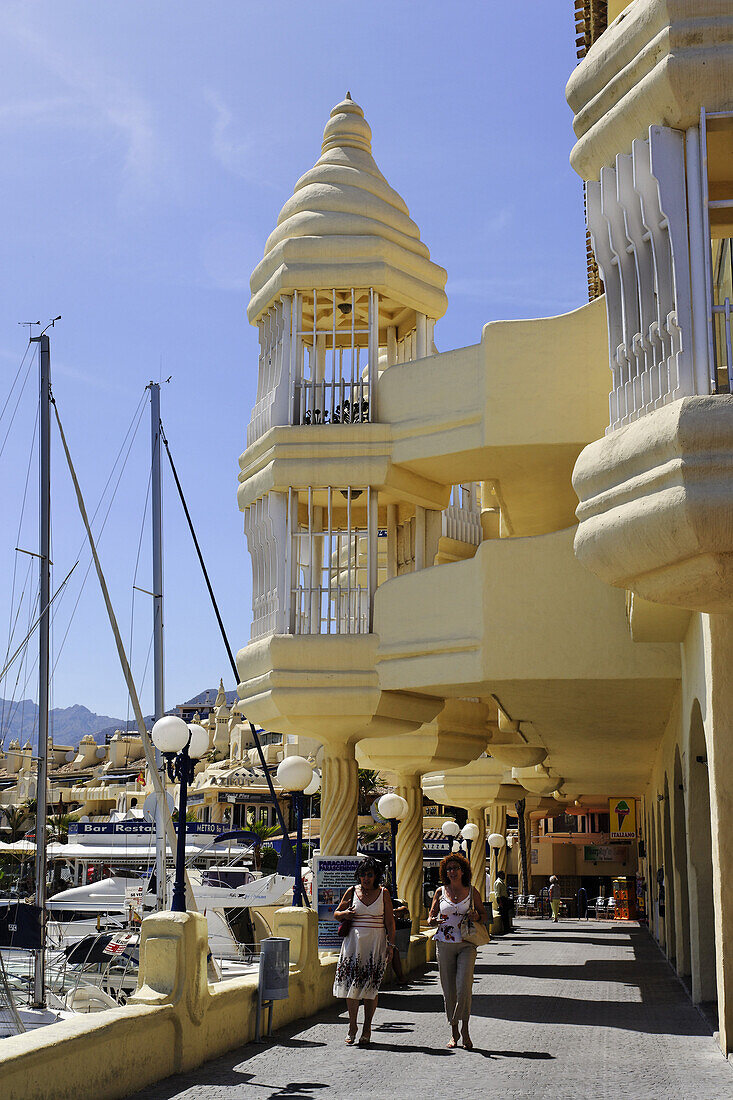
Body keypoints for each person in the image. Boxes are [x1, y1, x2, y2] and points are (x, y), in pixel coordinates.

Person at [333, 857, 395, 1046]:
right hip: (353, 945)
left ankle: (367, 1027)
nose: (366, 878)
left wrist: (390, 946)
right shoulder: (352, 891)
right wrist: (345, 914)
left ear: (376, 876)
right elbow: (336, 913)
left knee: (370, 989)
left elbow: (390, 923)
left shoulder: (383, 893)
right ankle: (353, 1026)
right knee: (351, 987)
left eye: (369, 875)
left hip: (375, 945)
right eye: (362, 875)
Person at [427, 852, 487, 1050]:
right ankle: (454, 1032)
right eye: (449, 869)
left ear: (463, 872)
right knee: (449, 990)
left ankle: (466, 1030)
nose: (452, 872)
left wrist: (476, 915)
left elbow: (484, 915)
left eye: (456, 868)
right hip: (444, 943)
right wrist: (433, 921)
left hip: (467, 943)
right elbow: (430, 917)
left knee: (463, 988)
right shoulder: (439, 892)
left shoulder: (472, 891)